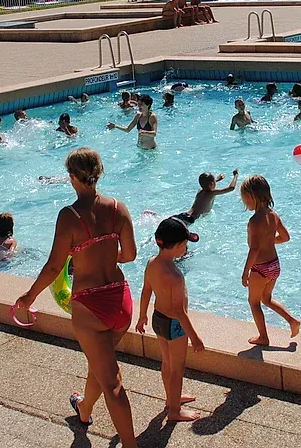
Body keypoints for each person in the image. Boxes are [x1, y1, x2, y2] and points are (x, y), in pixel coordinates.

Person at [14, 148, 138, 446]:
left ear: (71, 177)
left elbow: (54, 266)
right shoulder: (118, 208)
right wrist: (103, 253)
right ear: (99, 172)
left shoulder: (69, 216)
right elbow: (130, 255)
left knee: (112, 382)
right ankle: (84, 408)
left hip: (91, 305)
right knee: (100, 363)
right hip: (120, 300)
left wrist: (29, 296)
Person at [135, 217, 205, 422]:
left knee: (167, 362)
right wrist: (195, 337)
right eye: (184, 244)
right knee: (177, 369)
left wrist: (142, 316)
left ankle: (172, 398)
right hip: (175, 326)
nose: (186, 248)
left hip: (158, 319)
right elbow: (180, 311)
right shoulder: (175, 276)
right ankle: (175, 411)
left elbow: (146, 291)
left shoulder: (151, 263)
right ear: (176, 246)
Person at [240, 175, 301, 345]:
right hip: (274, 265)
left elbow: (254, 249)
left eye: (245, 199)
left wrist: (245, 272)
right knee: (266, 299)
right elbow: (285, 237)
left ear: (253, 197)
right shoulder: (273, 215)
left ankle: (263, 337)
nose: (244, 203)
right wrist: (269, 241)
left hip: (260, 269)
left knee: (254, 302)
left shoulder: (254, 221)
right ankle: (292, 321)